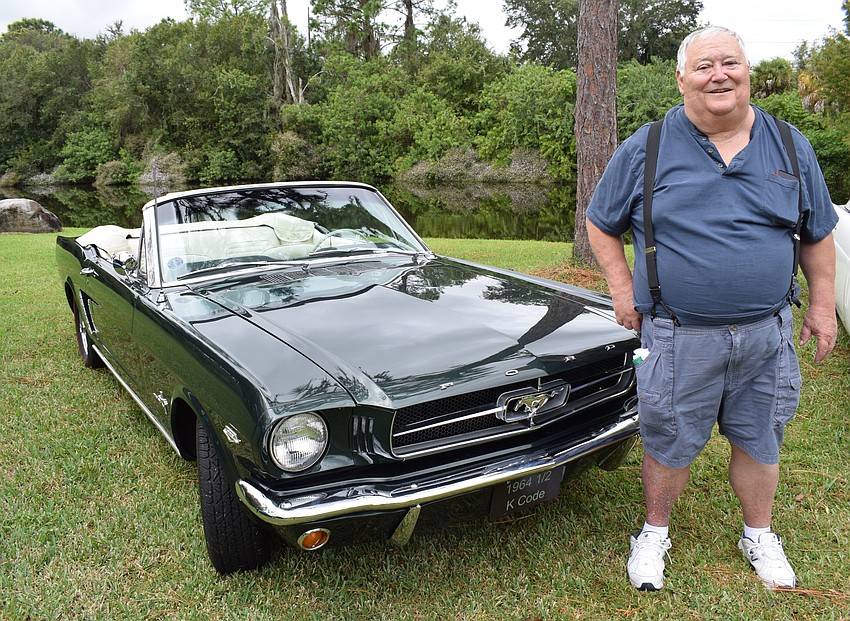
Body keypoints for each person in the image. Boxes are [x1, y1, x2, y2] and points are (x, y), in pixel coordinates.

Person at [586, 25, 838, 591]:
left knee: (760, 435)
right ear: (681, 79)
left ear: (748, 71)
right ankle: (653, 533)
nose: (718, 74)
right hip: (678, 334)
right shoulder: (645, 147)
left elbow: (817, 234)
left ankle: (760, 534)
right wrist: (622, 289)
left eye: (730, 62)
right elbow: (601, 224)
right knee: (668, 435)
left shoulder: (790, 144)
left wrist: (822, 306)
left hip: (767, 332)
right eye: (704, 66)